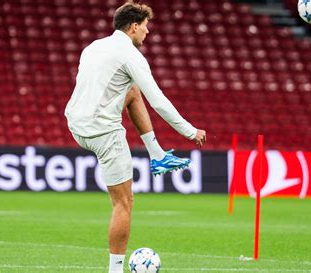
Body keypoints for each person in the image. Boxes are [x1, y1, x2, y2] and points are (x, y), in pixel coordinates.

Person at [64, 2, 206, 273]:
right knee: (124, 202)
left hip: (75, 123)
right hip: (103, 132)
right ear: (134, 26)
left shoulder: (93, 46)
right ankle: (115, 270)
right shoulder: (131, 56)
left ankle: (157, 155)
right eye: (146, 26)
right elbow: (159, 102)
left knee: (131, 90)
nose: (148, 32)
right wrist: (190, 131)